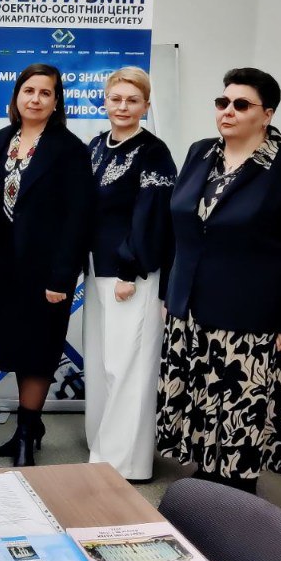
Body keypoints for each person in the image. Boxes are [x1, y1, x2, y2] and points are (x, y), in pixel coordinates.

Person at [157, 67, 281, 494]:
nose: (227, 111)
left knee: (237, 410)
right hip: (190, 308)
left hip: (250, 314)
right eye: (222, 102)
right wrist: (170, 294)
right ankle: (206, 482)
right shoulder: (200, 153)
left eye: (241, 104)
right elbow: (181, 230)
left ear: (266, 114)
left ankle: (236, 493)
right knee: (198, 400)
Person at [0, 64, 93, 467]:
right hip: (5, 270)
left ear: (56, 101)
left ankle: (27, 432)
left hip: (47, 272)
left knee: (41, 351)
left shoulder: (70, 149)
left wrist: (62, 276)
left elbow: (78, 218)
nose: (35, 99)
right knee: (15, 348)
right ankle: (28, 425)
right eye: (28, 90)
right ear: (16, 96)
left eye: (45, 93)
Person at [83, 67, 177, 482]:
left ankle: (126, 463)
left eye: (132, 100)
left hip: (130, 273)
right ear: (105, 101)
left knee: (128, 366)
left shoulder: (154, 152)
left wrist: (130, 269)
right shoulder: (95, 146)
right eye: (116, 98)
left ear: (146, 106)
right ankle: (101, 445)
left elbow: (152, 216)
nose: (122, 107)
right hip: (96, 268)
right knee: (102, 364)